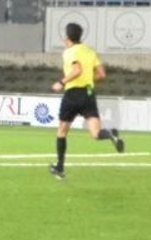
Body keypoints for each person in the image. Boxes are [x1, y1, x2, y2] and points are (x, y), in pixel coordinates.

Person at [49, 22, 124, 179]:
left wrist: (61, 82)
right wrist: (88, 80)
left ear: (67, 37)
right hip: (89, 93)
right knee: (96, 133)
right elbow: (102, 74)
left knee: (62, 132)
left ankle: (60, 168)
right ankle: (110, 134)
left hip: (72, 94)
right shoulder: (89, 51)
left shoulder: (69, 52)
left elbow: (77, 70)